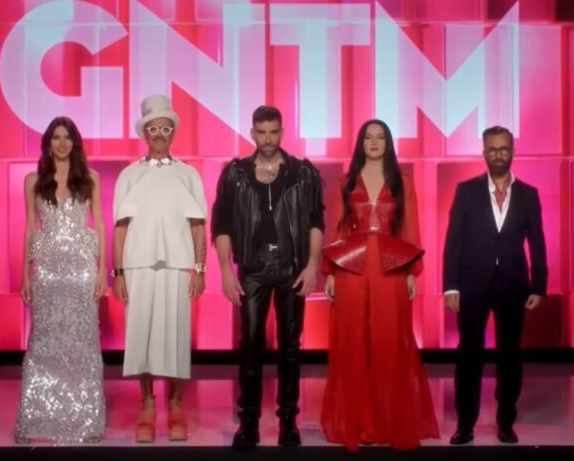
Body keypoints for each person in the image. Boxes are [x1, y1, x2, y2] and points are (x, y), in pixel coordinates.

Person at [320, 119, 439, 451]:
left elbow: (410, 228)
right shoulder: (345, 182)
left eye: (380, 137)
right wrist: (330, 272)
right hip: (351, 266)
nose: (374, 142)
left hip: (391, 265)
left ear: (388, 143)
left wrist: (411, 271)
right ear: (361, 143)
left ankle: (389, 422)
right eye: (368, 137)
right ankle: (358, 424)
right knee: (352, 343)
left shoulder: (403, 181)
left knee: (390, 342)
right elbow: (338, 231)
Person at [211, 105, 324, 450]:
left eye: (274, 132)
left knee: (290, 345)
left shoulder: (302, 173)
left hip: (292, 266)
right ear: (252, 133)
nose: (268, 139)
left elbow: (315, 220)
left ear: (282, 132)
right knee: (250, 344)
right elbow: (222, 223)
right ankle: (249, 422)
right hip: (253, 267)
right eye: (262, 132)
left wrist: (312, 265)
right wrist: (225, 271)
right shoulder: (235, 174)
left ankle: (288, 420)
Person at [443, 125, 548, 445]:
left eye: (503, 149)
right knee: (469, 355)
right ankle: (465, 425)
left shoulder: (528, 194)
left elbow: (537, 242)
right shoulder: (466, 190)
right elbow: (453, 240)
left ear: (512, 151)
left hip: (514, 285)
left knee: (510, 356)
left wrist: (539, 286)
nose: (498, 154)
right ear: (484, 152)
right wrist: (450, 286)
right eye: (492, 149)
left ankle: (505, 423)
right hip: (472, 284)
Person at [111, 95, 207, 443]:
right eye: (154, 129)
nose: (160, 135)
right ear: (145, 133)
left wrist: (200, 269)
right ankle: (147, 405)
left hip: (177, 265)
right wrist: (118, 273)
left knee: (176, 335)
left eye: (166, 129)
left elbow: (198, 225)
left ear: (173, 132)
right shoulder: (129, 175)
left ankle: (176, 405)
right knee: (142, 336)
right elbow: (120, 227)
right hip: (138, 265)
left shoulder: (188, 174)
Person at [16, 116, 106, 444]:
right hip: (47, 272)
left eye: (67, 137)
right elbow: (30, 228)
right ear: (48, 143)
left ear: (75, 142)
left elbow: (99, 224)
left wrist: (102, 270)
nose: (62, 143)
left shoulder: (90, 178)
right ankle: (37, 420)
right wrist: (25, 274)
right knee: (44, 343)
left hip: (81, 271)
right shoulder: (33, 180)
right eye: (56, 137)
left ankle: (86, 420)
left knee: (82, 344)